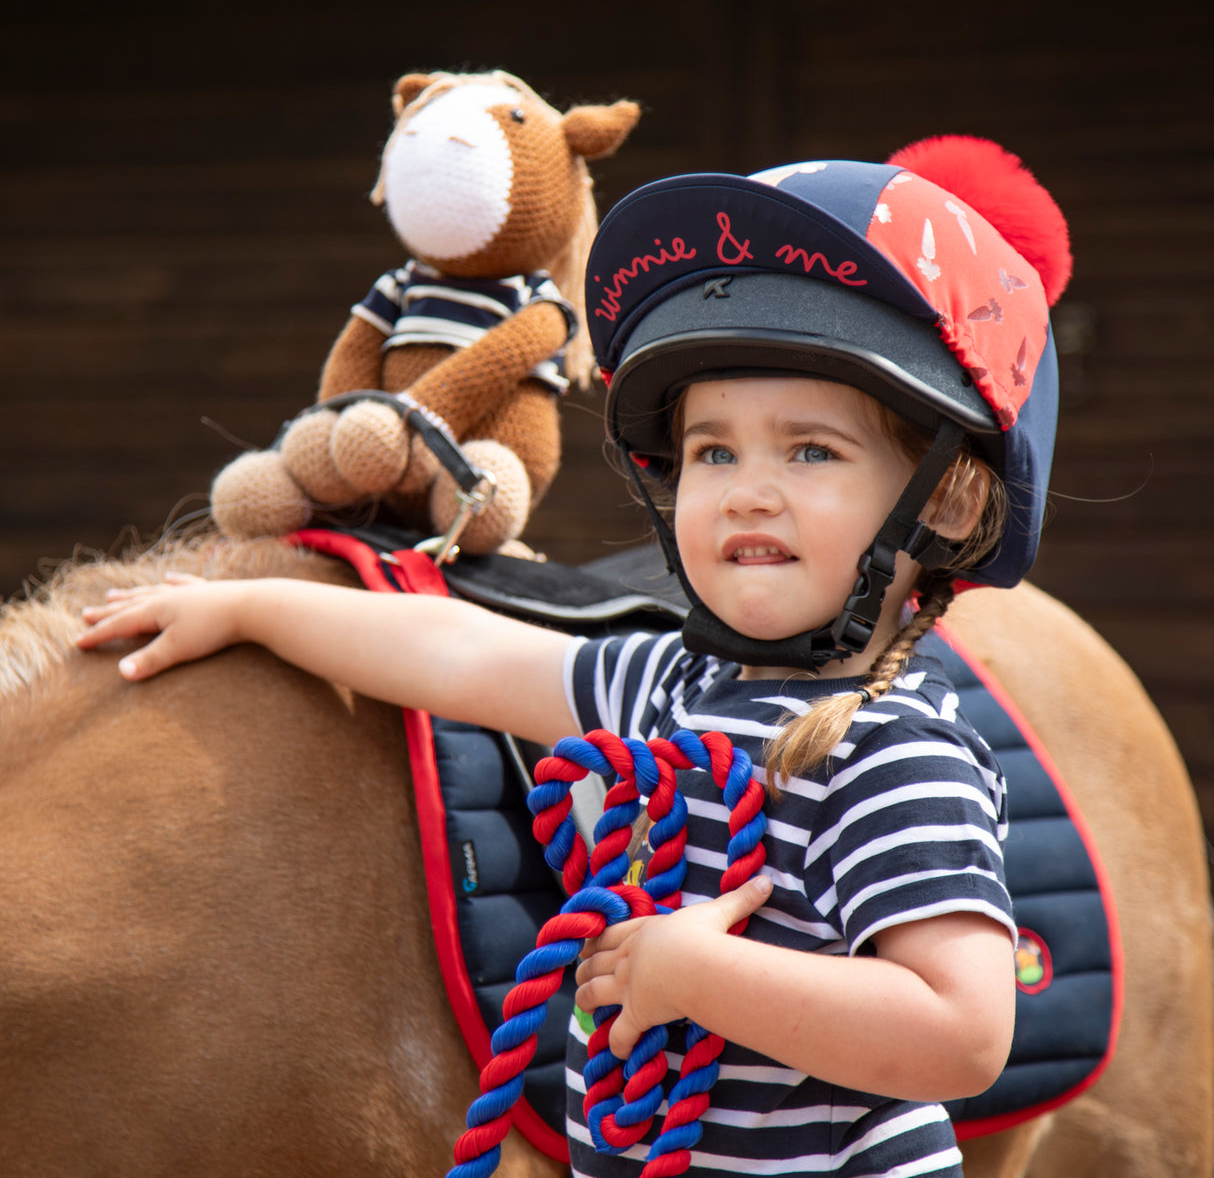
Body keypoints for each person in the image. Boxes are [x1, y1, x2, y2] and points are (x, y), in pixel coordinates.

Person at [77, 133, 1072, 1177]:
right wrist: (255, 613)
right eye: (712, 448)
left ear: (948, 495)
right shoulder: (666, 686)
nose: (744, 487)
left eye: (809, 448)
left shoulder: (889, 753)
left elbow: (960, 1033)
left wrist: (695, 972)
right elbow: (457, 654)